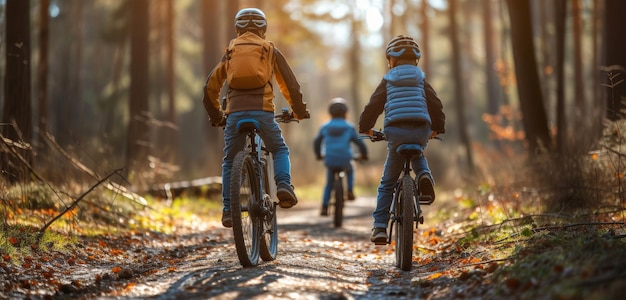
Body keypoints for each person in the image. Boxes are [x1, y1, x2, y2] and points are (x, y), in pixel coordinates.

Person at [202, 8, 308, 228]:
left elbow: (210, 89)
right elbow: (290, 85)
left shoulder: (230, 52)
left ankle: (229, 210)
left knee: (230, 160)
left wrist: (217, 117)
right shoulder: (270, 50)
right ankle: (284, 186)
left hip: (235, 113)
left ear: (238, 28)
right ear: (263, 29)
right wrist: (298, 111)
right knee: (279, 149)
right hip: (263, 112)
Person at [359, 35, 445, 244]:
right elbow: (435, 104)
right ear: (415, 60)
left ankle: (379, 227)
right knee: (418, 151)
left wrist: (366, 128)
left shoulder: (388, 80)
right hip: (420, 128)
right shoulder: (421, 80)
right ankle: (424, 175)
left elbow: (374, 105)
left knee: (387, 184)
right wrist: (437, 128)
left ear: (391, 60)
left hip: (395, 131)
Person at [313, 98, 368, 216]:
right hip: (345, 158)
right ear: (345, 113)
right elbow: (360, 143)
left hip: (330, 158)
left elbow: (317, 141)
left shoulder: (325, 127)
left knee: (329, 183)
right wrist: (364, 154)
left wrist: (318, 154)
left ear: (330, 113)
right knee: (351, 168)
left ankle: (324, 206)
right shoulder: (349, 127)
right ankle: (349, 190)